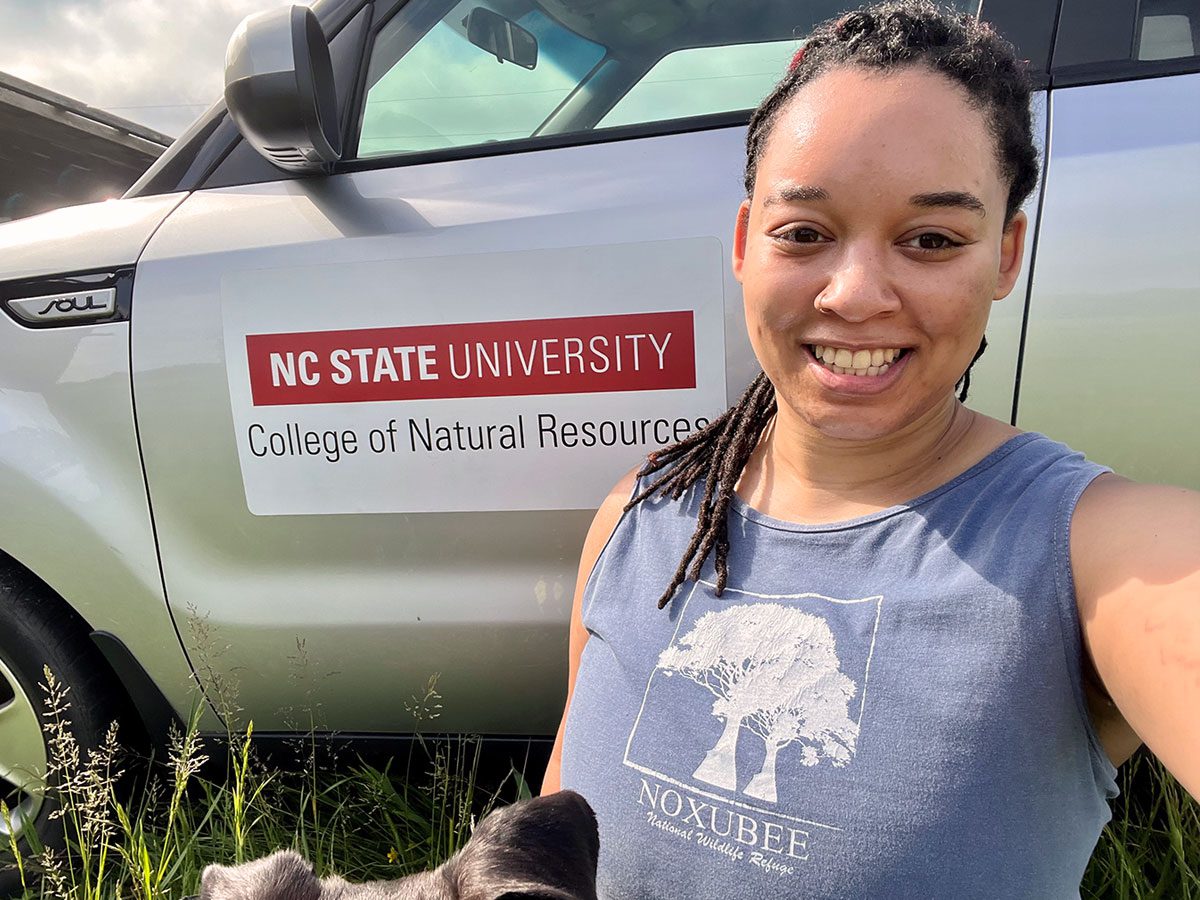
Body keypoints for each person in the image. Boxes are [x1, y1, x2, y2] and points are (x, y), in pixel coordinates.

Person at [539, 2, 1199, 897]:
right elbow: (552, 850)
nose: (854, 295)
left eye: (931, 240)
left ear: (1005, 257)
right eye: (805, 233)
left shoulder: (1092, 555)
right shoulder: (639, 516)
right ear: (745, 246)